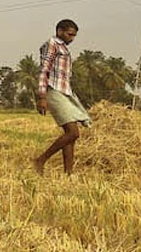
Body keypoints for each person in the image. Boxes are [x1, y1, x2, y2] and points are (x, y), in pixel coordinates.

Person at [32, 19, 91, 175]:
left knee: (70, 135)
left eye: (74, 36)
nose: (72, 38)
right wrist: (42, 96)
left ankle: (68, 174)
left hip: (64, 91)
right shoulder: (52, 44)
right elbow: (44, 70)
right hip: (53, 90)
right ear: (59, 31)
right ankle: (40, 160)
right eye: (69, 34)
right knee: (73, 132)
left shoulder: (63, 48)